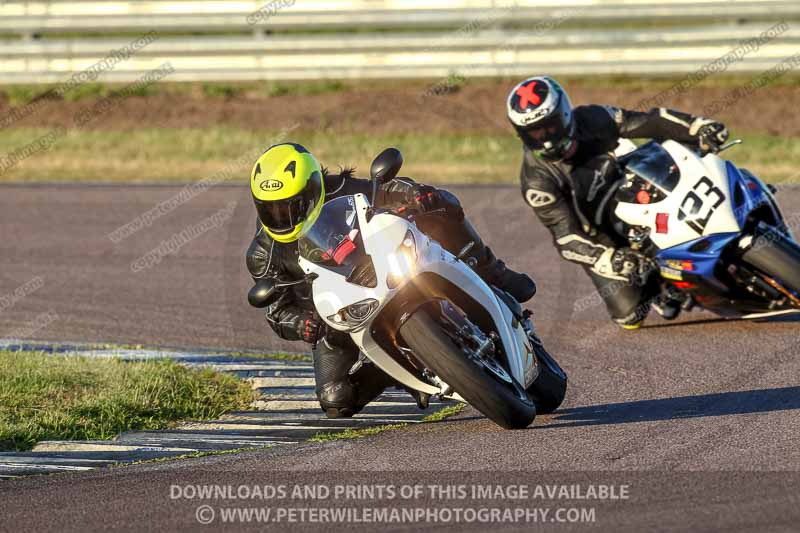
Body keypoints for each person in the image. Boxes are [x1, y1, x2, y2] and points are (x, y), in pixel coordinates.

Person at [246, 142, 536, 417]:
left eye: (290, 205)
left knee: (441, 204)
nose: (281, 216)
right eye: (270, 208)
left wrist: (414, 195)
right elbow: (277, 311)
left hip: (391, 266)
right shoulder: (263, 253)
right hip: (342, 317)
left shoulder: (343, 189)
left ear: (312, 188)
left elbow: (387, 188)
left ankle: (491, 270)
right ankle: (404, 366)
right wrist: (303, 324)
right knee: (337, 400)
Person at [507, 76, 730, 329]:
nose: (546, 138)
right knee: (630, 315)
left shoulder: (593, 118)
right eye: (534, 132)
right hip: (601, 237)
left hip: (635, 187)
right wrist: (609, 259)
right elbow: (565, 238)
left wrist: (698, 127)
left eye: (550, 127)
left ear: (565, 115)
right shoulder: (536, 181)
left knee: (691, 152)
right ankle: (659, 282)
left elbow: (651, 122)